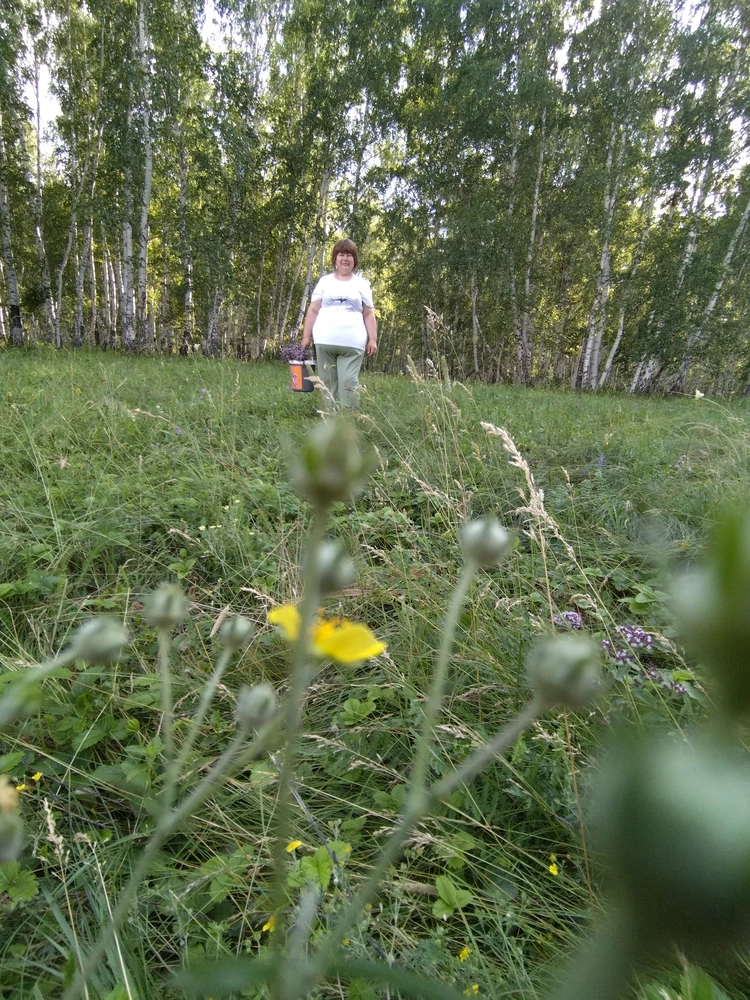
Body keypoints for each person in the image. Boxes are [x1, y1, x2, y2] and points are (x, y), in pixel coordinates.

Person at [300, 238, 377, 409]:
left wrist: (373, 339)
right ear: (335, 258)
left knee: (348, 382)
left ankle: (349, 423)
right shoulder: (325, 282)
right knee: (327, 384)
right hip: (324, 342)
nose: (345, 258)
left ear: (354, 260)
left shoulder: (362, 284)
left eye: (349, 255)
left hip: (352, 345)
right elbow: (313, 310)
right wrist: (306, 337)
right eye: (341, 254)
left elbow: (368, 313)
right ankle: (331, 424)